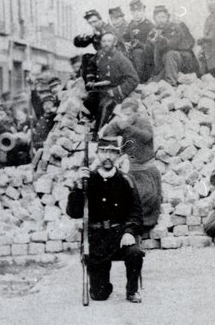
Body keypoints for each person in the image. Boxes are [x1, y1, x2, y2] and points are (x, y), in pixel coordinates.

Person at [66, 145, 146, 303]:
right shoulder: (88, 180)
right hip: (97, 239)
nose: (108, 156)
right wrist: (79, 187)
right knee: (99, 295)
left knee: (135, 252)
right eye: (103, 151)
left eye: (112, 152)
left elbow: (136, 213)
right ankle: (102, 285)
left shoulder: (126, 180)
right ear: (97, 154)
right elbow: (73, 212)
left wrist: (129, 231)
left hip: (120, 235)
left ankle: (132, 291)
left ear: (118, 155)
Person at [98, 99, 162, 237]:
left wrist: (127, 127)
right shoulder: (123, 123)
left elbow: (147, 136)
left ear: (135, 113)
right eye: (124, 114)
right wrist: (114, 126)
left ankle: (139, 229)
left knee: (145, 198)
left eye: (129, 114)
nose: (126, 117)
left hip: (146, 172)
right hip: (131, 170)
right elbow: (106, 135)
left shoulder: (143, 122)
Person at [83, 31, 140, 132]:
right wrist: (91, 80)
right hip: (101, 90)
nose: (106, 44)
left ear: (115, 43)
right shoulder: (99, 55)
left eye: (109, 41)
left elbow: (134, 79)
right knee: (88, 100)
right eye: (104, 41)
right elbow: (91, 66)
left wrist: (116, 91)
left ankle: (98, 134)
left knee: (104, 105)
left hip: (115, 92)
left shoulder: (120, 58)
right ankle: (98, 119)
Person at [149, 5, 199, 84]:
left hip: (184, 58)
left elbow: (183, 42)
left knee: (170, 54)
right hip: (168, 62)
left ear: (167, 17)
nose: (161, 20)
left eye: (163, 17)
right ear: (155, 19)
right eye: (158, 17)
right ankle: (157, 78)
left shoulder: (175, 27)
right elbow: (149, 47)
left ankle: (171, 82)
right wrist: (152, 42)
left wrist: (166, 42)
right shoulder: (154, 31)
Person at [126, 0, 156, 82]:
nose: (136, 14)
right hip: (134, 52)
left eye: (139, 10)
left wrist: (139, 45)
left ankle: (139, 80)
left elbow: (153, 46)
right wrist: (127, 44)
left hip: (147, 55)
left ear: (143, 11)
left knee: (137, 52)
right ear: (131, 12)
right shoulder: (131, 24)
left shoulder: (149, 25)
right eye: (134, 11)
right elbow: (126, 38)